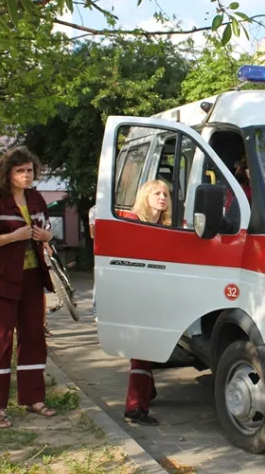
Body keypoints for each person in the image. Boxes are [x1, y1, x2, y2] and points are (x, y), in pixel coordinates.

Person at [0, 146, 57, 429]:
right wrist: (12, 236)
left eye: (30, 170)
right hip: (1, 283)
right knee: (1, 342)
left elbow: (46, 232)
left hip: (32, 280)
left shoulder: (36, 198)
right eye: (20, 171)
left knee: (33, 338)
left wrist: (46, 236)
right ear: (8, 174)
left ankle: (34, 399)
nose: (26, 175)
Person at [114, 179, 171, 426]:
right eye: (157, 193)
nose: (162, 197)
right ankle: (135, 407)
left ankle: (147, 392)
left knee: (148, 349)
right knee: (141, 351)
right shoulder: (133, 222)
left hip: (156, 293)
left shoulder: (167, 226)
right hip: (137, 294)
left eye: (165, 194)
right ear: (145, 197)